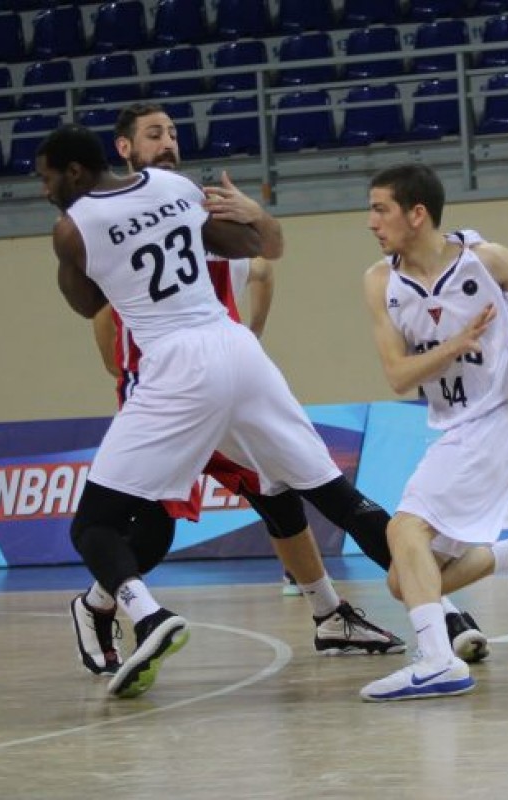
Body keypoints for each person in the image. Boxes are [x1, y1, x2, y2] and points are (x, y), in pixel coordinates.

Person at [69, 104, 405, 678]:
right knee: (154, 526)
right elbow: (100, 313)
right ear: (124, 149)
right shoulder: (115, 219)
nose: (169, 142)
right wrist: (125, 372)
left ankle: (329, 613)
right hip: (165, 386)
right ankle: (100, 605)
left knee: (278, 493)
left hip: (222, 373)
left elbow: (266, 264)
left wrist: (251, 329)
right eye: (154, 134)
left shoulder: (199, 205)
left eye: (173, 133)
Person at [358, 163, 508, 702]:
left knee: (405, 530)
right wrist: (455, 345)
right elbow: (398, 375)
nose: (371, 222)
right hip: (457, 429)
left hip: (504, 416)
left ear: (416, 214)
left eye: (381, 209)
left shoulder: (487, 259)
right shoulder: (380, 282)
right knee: (405, 580)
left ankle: (437, 662)